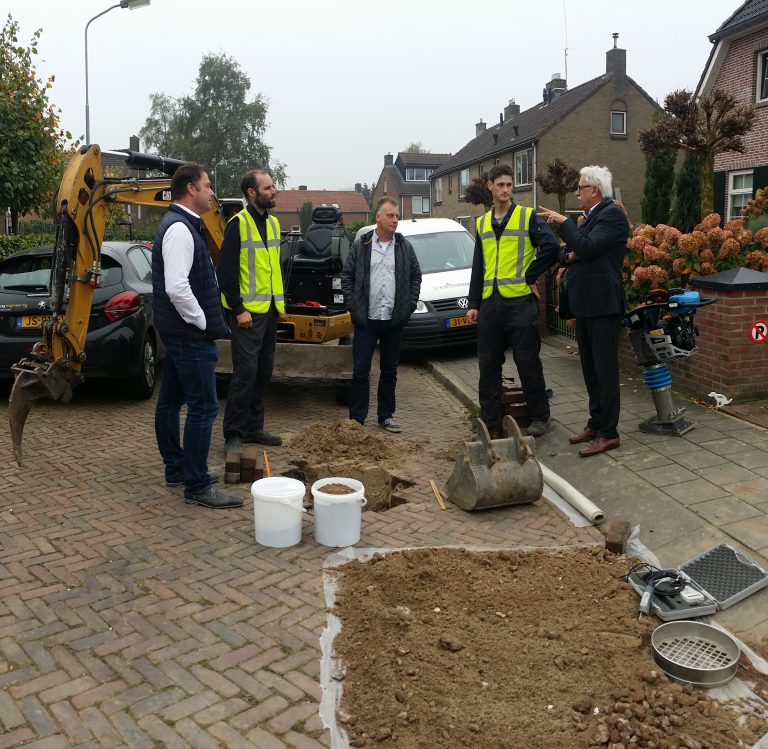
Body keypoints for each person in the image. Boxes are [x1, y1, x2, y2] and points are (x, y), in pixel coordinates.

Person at [152, 163, 241, 510]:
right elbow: (177, 287)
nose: (211, 193)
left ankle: (178, 469)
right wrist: (202, 322)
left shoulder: (183, 226)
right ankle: (197, 483)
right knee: (203, 407)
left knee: (171, 401)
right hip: (189, 334)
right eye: (207, 186)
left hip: (178, 332)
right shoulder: (180, 230)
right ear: (190, 189)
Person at [537, 165, 629, 457]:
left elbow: (585, 248)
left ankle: (609, 432)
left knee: (605, 370)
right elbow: (566, 253)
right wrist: (574, 251)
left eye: (580, 188)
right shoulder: (590, 219)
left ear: (596, 190)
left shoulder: (611, 215)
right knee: (589, 369)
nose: (576, 192)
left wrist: (565, 225)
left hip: (603, 306)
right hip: (587, 305)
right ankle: (595, 422)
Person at [467, 163, 562, 439]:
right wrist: (474, 304)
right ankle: (490, 422)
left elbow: (552, 248)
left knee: (527, 361)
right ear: (490, 186)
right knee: (488, 364)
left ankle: (540, 417)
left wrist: (530, 273)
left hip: (520, 303)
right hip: (490, 305)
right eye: (501, 185)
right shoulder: (482, 222)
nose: (506, 190)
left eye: (509, 185)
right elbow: (478, 266)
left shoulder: (527, 217)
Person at [217, 170, 284, 452]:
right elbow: (227, 272)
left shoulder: (275, 225)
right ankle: (234, 432)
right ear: (252, 193)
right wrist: (238, 309)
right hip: (246, 315)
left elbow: (273, 268)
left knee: (263, 372)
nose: (274, 191)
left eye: (273, 186)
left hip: (268, 312)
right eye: (268, 187)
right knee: (245, 373)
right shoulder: (237, 224)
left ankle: (254, 427)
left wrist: (279, 306)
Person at [341, 197, 421, 432]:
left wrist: (408, 306)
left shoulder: (404, 246)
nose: (395, 220)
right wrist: (353, 306)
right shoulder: (362, 245)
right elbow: (347, 276)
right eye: (390, 216)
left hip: (394, 321)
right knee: (360, 370)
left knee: (390, 371)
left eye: (397, 216)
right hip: (366, 320)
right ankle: (356, 419)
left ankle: (386, 416)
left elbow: (416, 276)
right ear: (378, 217)